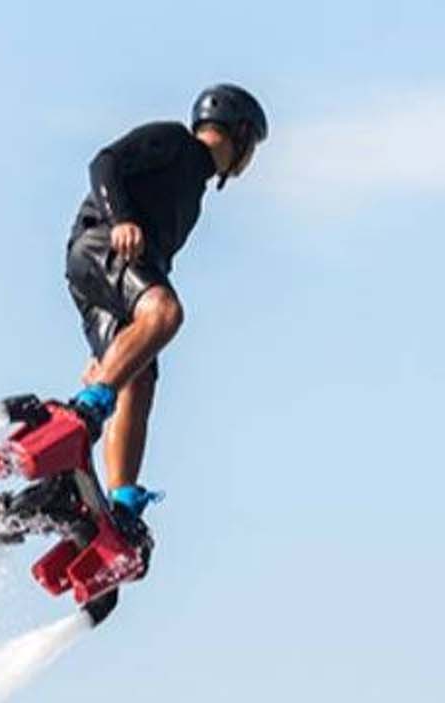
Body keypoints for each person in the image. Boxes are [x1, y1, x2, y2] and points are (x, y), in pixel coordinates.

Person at [64, 83, 267, 530]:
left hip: (117, 275)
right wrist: (121, 220)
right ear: (243, 135)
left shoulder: (191, 195)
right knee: (165, 314)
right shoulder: (177, 143)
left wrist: (114, 356)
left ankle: (119, 504)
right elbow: (104, 163)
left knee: (141, 375)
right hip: (102, 244)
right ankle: (84, 412)